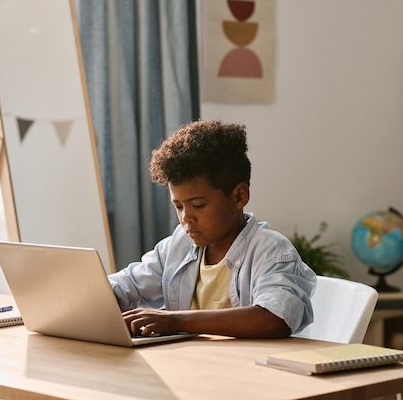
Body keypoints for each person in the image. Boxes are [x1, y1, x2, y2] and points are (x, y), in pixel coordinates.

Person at [108, 119, 316, 339]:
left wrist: (175, 321)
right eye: (178, 206)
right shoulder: (178, 246)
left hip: (248, 368)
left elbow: (275, 319)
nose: (186, 217)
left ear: (239, 196)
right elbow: (125, 285)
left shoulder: (271, 251)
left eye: (198, 205)